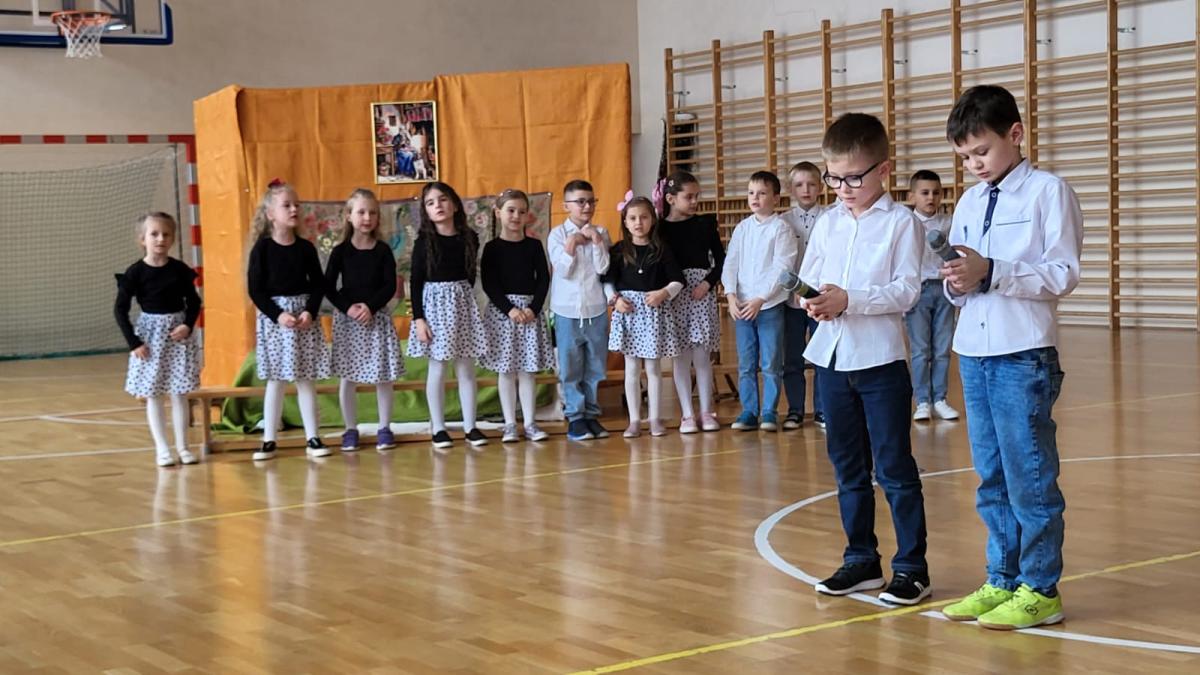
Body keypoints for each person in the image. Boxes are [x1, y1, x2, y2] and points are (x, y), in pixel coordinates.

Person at [939, 85, 1081, 630]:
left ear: (1015, 134)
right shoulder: (970, 202)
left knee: (1030, 477)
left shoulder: (1048, 192)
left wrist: (992, 271)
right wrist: (957, 281)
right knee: (991, 476)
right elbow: (959, 280)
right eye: (965, 157)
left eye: (982, 151)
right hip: (974, 351)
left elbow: (1063, 274)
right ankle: (1001, 578)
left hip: (1023, 354)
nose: (974, 164)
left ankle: (1040, 588)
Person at [800, 113, 929, 605]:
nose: (842, 189)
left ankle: (912, 568)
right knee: (846, 466)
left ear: (884, 170)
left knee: (894, 466)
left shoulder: (902, 223)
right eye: (834, 178)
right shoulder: (828, 222)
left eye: (853, 178)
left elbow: (906, 291)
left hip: (880, 362)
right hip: (831, 359)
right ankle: (861, 560)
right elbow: (809, 276)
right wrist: (812, 300)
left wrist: (849, 300)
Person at [246, 179, 332, 461]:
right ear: (271, 214)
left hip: (303, 320)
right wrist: (278, 315)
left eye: (296, 205)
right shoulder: (262, 249)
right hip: (277, 323)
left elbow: (318, 284)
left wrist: (309, 311)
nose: (294, 209)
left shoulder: (306, 248)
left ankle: (313, 437)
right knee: (277, 381)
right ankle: (269, 439)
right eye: (287, 205)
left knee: (306, 380)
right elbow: (256, 290)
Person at [115, 212, 202, 467]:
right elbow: (119, 309)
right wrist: (134, 342)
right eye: (154, 234)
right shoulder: (135, 273)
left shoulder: (179, 270)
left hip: (177, 338)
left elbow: (194, 302)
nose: (160, 239)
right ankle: (162, 449)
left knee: (179, 393)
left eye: (166, 234)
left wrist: (187, 325)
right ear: (143, 239)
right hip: (150, 338)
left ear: (173, 238)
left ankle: (183, 447)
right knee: (153, 394)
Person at [406, 181, 489, 450]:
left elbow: (469, 273)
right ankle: (438, 427)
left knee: (466, 368)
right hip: (434, 309)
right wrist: (419, 319)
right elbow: (415, 281)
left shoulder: (469, 237)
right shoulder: (423, 243)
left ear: (454, 204)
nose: (438, 206)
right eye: (430, 203)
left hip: (462, 305)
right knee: (438, 367)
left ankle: (470, 426)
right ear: (426, 211)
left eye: (442, 200)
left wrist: (462, 299)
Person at [324, 188, 404, 453]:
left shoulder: (383, 251)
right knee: (348, 378)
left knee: (383, 377)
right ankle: (350, 429)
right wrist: (349, 309)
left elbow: (389, 285)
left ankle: (384, 428)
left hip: (376, 319)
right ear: (349, 216)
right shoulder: (340, 252)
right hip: (349, 322)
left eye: (372, 212)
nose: (367, 217)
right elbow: (328, 287)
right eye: (361, 212)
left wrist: (370, 306)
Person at [721, 170, 797, 432]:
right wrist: (731, 296)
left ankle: (769, 412)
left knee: (771, 362)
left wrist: (761, 299)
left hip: (769, 307)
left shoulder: (781, 229)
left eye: (762, 193)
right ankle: (749, 411)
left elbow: (782, 268)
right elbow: (730, 264)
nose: (755, 197)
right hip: (742, 307)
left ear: (775, 198)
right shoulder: (742, 228)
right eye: (751, 192)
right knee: (746, 362)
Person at [604, 196, 684, 438]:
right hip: (629, 314)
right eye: (633, 218)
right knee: (631, 368)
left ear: (653, 220)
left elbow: (678, 280)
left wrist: (663, 293)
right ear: (625, 222)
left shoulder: (661, 249)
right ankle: (634, 420)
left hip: (653, 314)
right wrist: (615, 300)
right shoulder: (619, 250)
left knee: (653, 368)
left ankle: (655, 419)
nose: (638, 222)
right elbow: (607, 281)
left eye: (644, 217)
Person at [480, 188, 554, 443]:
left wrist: (533, 308)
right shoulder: (492, 248)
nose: (516, 216)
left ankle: (530, 423)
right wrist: (509, 309)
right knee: (506, 371)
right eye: (510, 210)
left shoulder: (534, 246)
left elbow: (543, 279)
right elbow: (490, 283)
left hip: (530, 314)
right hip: (504, 315)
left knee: (527, 372)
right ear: (498, 213)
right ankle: (510, 423)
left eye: (521, 212)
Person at [657, 170, 725, 433]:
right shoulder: (660, 229)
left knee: (702, 356)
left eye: (697, 196)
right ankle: (687, 414)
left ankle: (706, 411)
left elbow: (721, 260)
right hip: (674, 295)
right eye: (689, 197)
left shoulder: (705, 224)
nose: (695, 201)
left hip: (700, 293)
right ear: (671, 199)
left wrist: (708, 283)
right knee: (681, 358)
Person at [547, 179, 612, 441]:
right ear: (566, 206)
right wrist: (571, 244)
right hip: (566, 311)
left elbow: (603, 268)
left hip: (595, 308)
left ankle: (591, 415)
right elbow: (563, 270)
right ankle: (575, 417)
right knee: (570, 366)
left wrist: (596, 241)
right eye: (580, 201)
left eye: (591, 201)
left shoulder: (602, 232)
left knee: (595, 365)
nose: (587, 206)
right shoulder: (557, 235)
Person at [904, 170, 959, 422]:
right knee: (920, 349)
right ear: (912, 196)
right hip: (919, 290)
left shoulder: (949, 223)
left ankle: (940, 399)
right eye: (924, 193)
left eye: (936, 193)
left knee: (942, 348)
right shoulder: (906, 223)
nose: (931, 198)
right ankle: (922, 401)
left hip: (945, 289)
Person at [779, 161, 828, 430]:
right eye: (799, 185)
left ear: (820, 187)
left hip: (820, 298)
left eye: (811, 184)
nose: (806, 190)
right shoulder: (783, 221)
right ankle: (795, 410)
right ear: (790, 189)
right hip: (790, 301)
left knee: (822, 356)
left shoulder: (831, 217)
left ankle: (822, 409)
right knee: (792, 358)